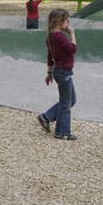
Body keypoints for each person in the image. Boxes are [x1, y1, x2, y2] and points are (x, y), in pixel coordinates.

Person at [37, 8, 78, 141]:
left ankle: (47, 117)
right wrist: (72, 33)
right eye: (67, 21)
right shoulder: (60, 36)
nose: (68, 24)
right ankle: (62, 132)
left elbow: (50, 57)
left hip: (58, 71)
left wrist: (49, 73)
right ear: (59, 21)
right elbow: (73, 49)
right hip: (64, 72)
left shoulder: (50, 37)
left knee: (71, 100)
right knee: (66, 102)